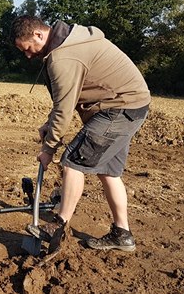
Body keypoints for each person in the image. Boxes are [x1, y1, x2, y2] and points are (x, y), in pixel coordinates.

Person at [10, 15, 150, 254]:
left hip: (118, 108)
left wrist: (48, 149)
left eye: (28, 49)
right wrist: (48, 123)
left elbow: (64, 110)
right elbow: (68, 98)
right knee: (108, 171)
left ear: (38, 35)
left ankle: (58, 224)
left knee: (74, 162)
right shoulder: (69, 41)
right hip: (130, 104)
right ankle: (122, 234)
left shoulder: (62, 56)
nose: (29, 55)